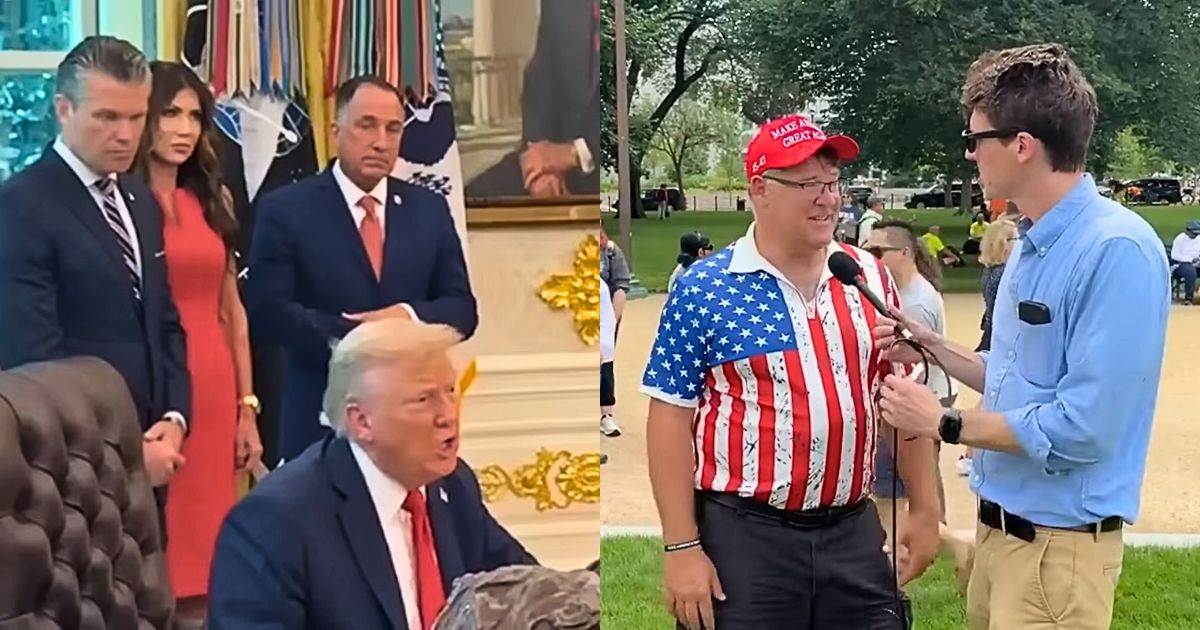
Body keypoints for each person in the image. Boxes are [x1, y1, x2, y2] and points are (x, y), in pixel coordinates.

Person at [875, 43, 1169, 630]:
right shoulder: (1030, 242)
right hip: (1001, 538)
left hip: (1057, 556)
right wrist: (930, 344)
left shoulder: (1117, 250)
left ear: (1022, 145)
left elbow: (1084, 428)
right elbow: (1012, 376)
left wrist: (943, 421)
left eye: (976, 139)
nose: (970, 155)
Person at [643, 114, 940, 630]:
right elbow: (669, 420)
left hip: (852, 529)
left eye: (832, 182)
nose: (828, 198)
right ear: (759, 190)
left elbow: (898, 398)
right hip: (745, 537)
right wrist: (682, 546)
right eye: (808, 184)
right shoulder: (706, 288)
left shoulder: (867, 276)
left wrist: (923, 505)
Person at [207, 318, 537, 630]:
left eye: (450, 392)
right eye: (424, 399)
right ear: (361, 421)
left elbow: (530, 588)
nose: (448, 416)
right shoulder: (276, 520)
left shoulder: (452, 485)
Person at [0, 36, 191, 534]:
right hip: (70, 476)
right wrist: (125, 456)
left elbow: (164, 323)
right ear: (64, 109)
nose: (126, 134)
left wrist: (174, 419)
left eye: (136, 117)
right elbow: (36, 360)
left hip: (154, 458)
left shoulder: (139, 199)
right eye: (107, 117)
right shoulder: (20, 207)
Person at [245, 75, 477, 462]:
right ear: (336, 131)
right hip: (320, 421)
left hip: (410, 431)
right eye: (367, 125)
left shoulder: (428, 209)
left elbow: (462, 310)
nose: (381, 142)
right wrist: (362, 338)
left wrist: (403, 316)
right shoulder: (286, 210)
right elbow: (268, 313)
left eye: (393, 129)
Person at [126, 60, 261, 626]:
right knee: (157, 555)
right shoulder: (122, 204)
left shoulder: (212, 198)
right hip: (156, 387)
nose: (183, 129)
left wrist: (247, 409)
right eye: (169, 114)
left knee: (210, 557)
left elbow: (233, 312)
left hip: (216, 382)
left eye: (193, 116)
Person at [862, 219, 972, 592]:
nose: (869, 256)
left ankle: (900, 571)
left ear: (904, 253)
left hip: (914, 405)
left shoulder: (915, 303)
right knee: (905, 490)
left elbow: (914, 370)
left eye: (878, 251)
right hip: (915, 401)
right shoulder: (902, 293)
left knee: (890, 495)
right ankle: (944, 549)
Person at [465, 0, 599, 198]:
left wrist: (576, 152)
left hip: (601, 168)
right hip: (555, 160)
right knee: (468, 203)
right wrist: (540, 167)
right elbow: (538, 78)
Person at [598, 230, 630, 438]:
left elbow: (620, 286)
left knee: (605, 365)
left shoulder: (609, 252)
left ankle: (606, 414)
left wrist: (612, 321)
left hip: (604, 315)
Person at [975, 218, 1018, 352]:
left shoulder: (991, 270)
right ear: (1003, 243)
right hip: (1002, 336)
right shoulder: (1005, 273)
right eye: (1016, 239)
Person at [1169, 219, 1200, 304]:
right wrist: (1190, 260)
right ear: (1187, 231)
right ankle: (1189, 298)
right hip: (1181, 265)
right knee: (1190, 272)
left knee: (1193, 270)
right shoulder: (1180, 239)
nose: (1195, 235)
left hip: (1197, 264)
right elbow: (1174, 255)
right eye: (1194, 233)